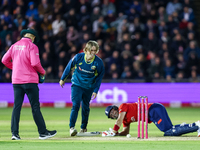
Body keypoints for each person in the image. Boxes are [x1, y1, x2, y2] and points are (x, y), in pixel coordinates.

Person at [1, 28, 57, 140]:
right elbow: (35, 63)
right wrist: (42, 71)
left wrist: (16, 68)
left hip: (16, 81)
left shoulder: (14, 45)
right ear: (33, 37)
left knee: (16, 107)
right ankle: (42, 133)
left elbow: (4, 60)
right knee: (35, 107)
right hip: (30, 80)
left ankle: (14, 134)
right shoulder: (32, 46)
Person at [59, 40, 105, 136]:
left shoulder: (98, 62)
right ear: (86, 50)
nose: (93, 53)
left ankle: (83, 127)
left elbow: (99, 78)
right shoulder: (78, 57)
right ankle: (72, 128)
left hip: (89, 87)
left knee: (85, 107)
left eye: (95, 51)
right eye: (91, 50)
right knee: (75, 105)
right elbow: (69, 66)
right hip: (77, 84)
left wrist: (96, 90)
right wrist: (63, 78)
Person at [104, 102, 200, 137]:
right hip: (152, 113)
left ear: (115, 108)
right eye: (111, 115)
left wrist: (113, 131)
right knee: (169, 131)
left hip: (152, 109)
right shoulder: (124, 120)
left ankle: (196, 126)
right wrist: (117, 134)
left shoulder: (122, 106)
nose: (113, 114)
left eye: (112, 112)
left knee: (169, 131)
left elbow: (119, 121)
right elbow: (125, 132)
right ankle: (193, 125)